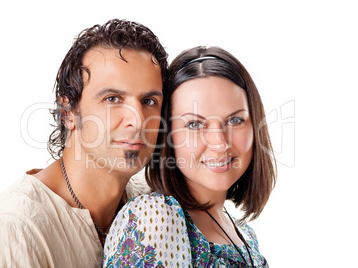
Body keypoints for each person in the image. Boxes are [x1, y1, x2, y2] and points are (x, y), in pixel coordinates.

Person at [0, 19, 168, 267]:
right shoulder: (11, 227)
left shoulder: (152, 205)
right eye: (113, 98)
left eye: (149, 101)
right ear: (68, 113)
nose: (137, 120)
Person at [103, 46, 276, 267]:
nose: (220, 143)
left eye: (235, 120)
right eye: (195, 124)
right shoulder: (156, 217)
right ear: (169, 136)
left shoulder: (244, 233)